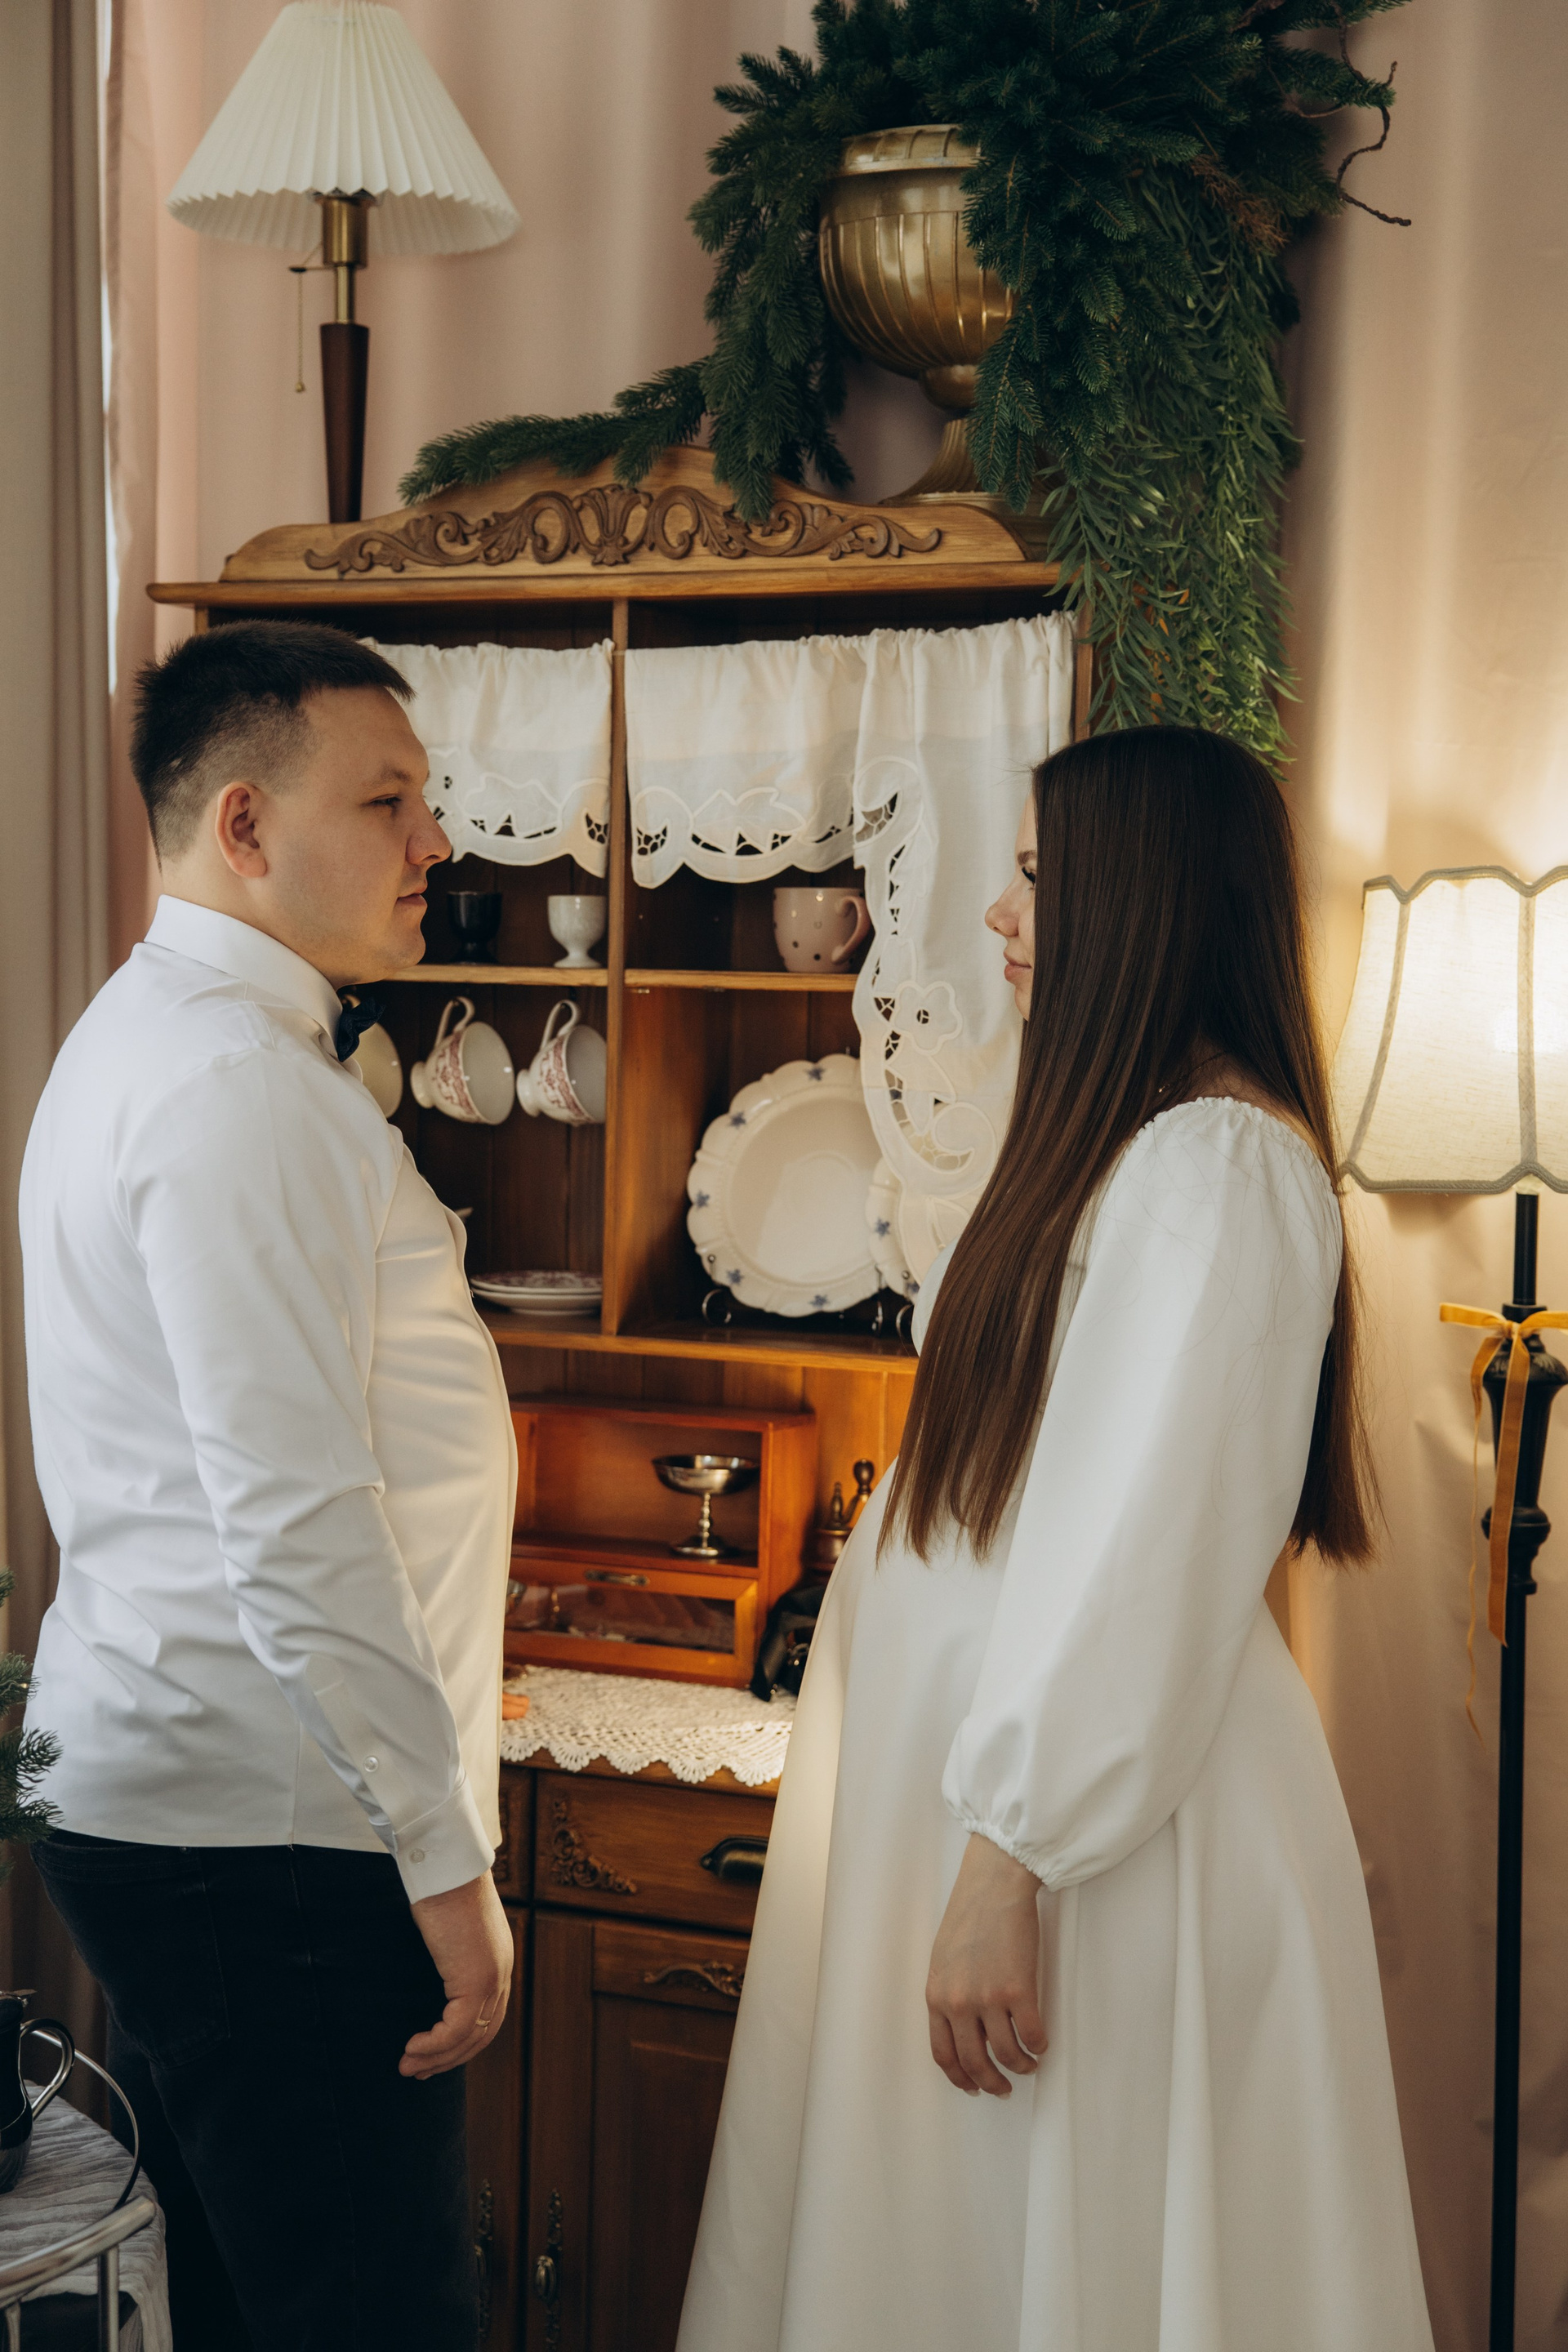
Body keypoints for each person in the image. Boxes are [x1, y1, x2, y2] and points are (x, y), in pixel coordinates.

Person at [676, 728, 1435, 2352]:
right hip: (1004, 1809)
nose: (1003, 913)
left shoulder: (1220, 1168)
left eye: (1037, 875)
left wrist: (1008, 1857)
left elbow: (1144, 1545)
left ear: (1145, 897)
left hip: (1089, 1844)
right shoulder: (1133, 1144)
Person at [20, 621, 515, 2350]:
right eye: (387, 803)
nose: (434, 842)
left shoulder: (157, 1037)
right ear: (244, 824)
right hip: (281, 1837)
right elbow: (298, 1527)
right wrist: (444, 1866)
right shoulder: (237, 1083)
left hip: (213, 1808)